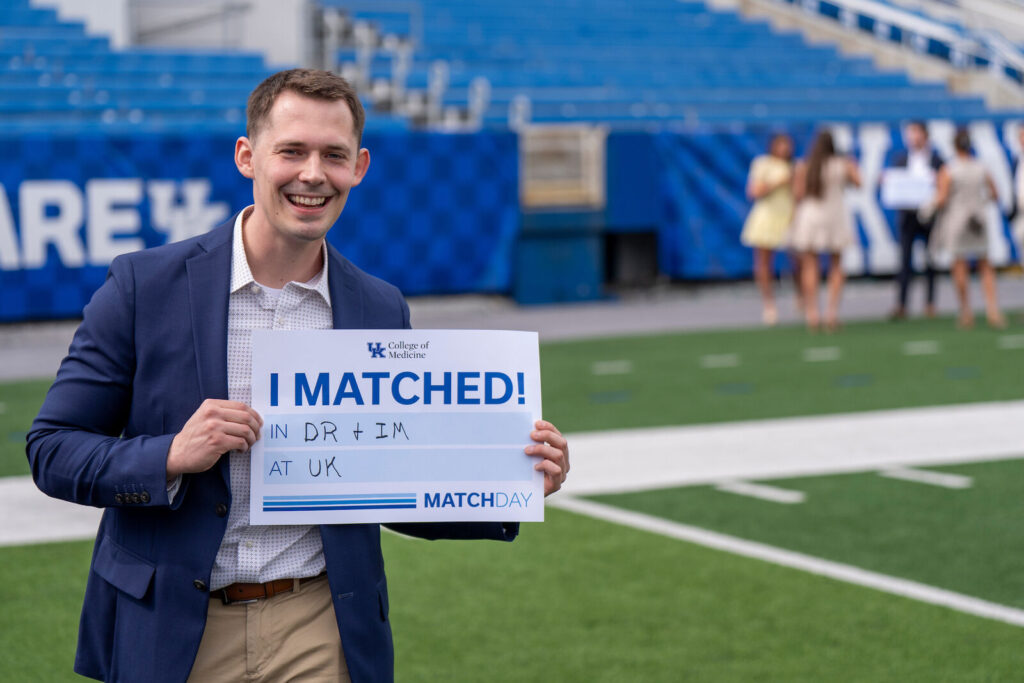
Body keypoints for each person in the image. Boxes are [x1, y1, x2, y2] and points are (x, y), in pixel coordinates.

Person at [26, 69, 570, 683]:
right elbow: (51, 449)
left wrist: (509, 482)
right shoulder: (143, 286)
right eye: (292, 151)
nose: (313, 174)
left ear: (359, 167)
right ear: (247, 156)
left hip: (319, 623)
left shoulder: (378, 306)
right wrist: (170, 456)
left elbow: (386, 477)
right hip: (177, 625)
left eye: (333, 155)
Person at [927, 127, 1005, 329]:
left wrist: (927, 207)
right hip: (978, 220)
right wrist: (980, 202)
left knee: (959, 266)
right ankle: (992, 310)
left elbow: (942, 198)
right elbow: (995, 194)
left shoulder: (950, 170)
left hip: (957, 221)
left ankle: (966, 311)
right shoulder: (980, 167)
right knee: (985, 265)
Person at [789, 129, 861, 332]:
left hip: (811, 216)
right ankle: (832, 313)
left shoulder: (805, 165)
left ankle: (812, 314)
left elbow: (798, 194)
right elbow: (859, 183)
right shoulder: (842, 164)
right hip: (834, 215)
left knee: (810, 265)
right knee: (836, 265)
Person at [886, 120, 944, 320]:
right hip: (908, 217)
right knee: (904, 261)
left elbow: (943, 186)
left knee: (930, 261)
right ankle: (902, 304)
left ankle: (930, 303)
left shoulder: (937, 160)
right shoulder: (901, 159)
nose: (912, 137)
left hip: (928, 216)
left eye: (916, 133)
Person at [740, 132, 797, 326]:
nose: (785, 149)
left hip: (789, 217)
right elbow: (754, 191)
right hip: (767, 217)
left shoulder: (795, 167)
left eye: (787, 144)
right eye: (781, 144)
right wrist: (778, 182)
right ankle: (769, 305)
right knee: (764, 263)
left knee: (799, 260)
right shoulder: (762, 163)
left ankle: (802, 299)